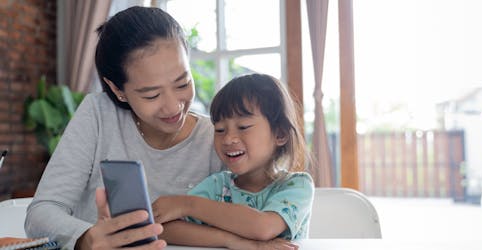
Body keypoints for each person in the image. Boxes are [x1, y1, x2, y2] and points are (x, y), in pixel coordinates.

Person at [25, 6, 226, 249]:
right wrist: (87, 239)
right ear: (118, 90)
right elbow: (41, 212)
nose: (173, 107)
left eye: (182, 83)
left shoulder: (217, 137)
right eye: (152, 95)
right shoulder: (99, 115)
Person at [153, 73, 315, 249]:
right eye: (220, 129)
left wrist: (187, 205)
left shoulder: (297, 186)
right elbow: (163, 229)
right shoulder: (217, 185)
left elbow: (263, 227)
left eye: (243, 127)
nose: (228, 139)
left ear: (280, 134)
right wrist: (233, 241)